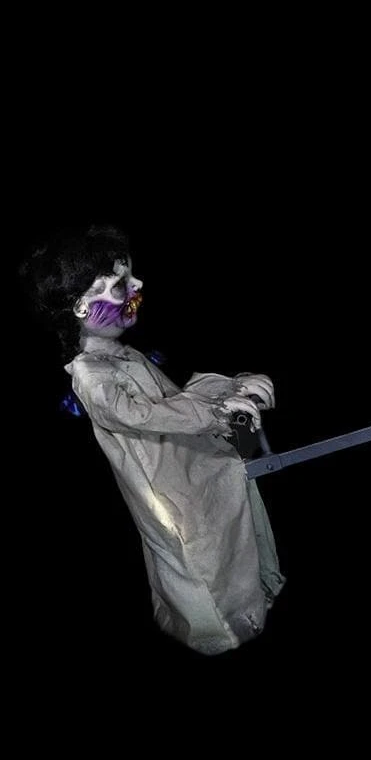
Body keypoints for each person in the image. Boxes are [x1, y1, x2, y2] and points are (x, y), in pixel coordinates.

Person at [19, 223, 285, 654]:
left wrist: (227, 388)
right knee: (198, 556)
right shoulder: (91, 377)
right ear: (81, 307)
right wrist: (218, 410)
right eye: (119, 284)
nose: (137, 286)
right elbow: (147, 414)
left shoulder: (124, 355)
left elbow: (172, 397)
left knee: (229, 524)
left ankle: (250, 602)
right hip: (169, 488)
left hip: (191, 466)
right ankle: (219, 630)